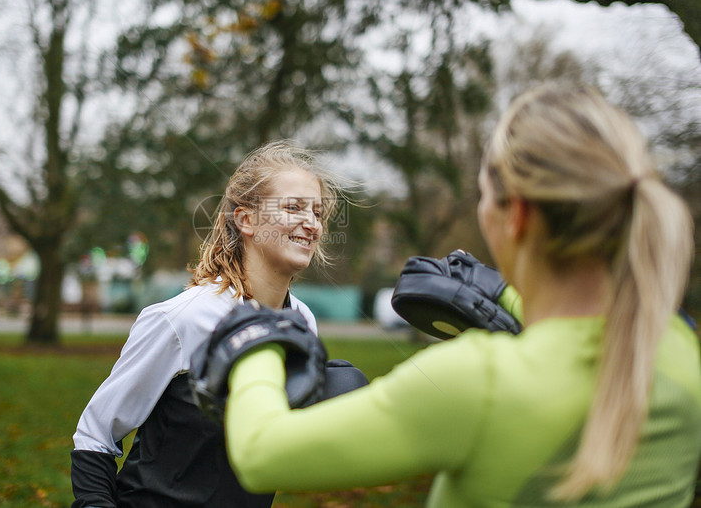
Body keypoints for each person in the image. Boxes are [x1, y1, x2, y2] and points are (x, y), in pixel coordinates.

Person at [222, 83, 701, 505]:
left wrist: (260, 337)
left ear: (516, 217)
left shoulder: (478, 381)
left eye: (483, 196)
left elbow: (261, 454)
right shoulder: (678, 346)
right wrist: (509, 299)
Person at [70, 140, 341, 507]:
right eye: (293, 207)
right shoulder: (187, 317)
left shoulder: (302, 323)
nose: (310, 224)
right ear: (246, 220)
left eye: (318, 213)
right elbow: (95, 434)